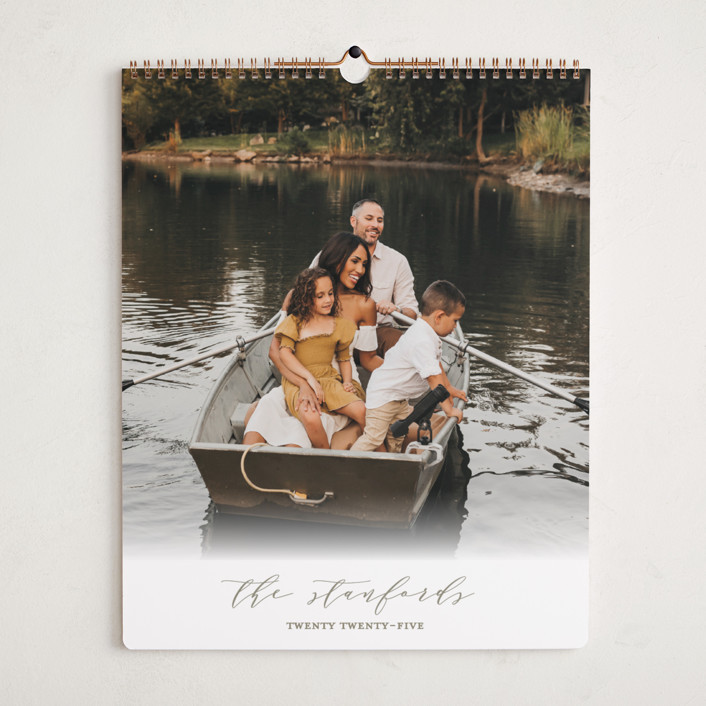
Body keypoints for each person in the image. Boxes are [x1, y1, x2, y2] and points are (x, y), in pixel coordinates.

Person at [243, 233, 382, 448]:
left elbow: (368, 359)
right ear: (337, 259)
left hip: (339, 381)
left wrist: (401, 376)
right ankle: (241, 463)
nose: (360, 270)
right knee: (265, 410)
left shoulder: (364, 304)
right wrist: (303, 383)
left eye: (364, 264)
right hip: (297, 375)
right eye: (355, 261)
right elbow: (275, 352)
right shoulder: (297, 296)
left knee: (309, 421)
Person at [351, 280, 468, 454]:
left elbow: (436, 365)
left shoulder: (427, 334)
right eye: (455, 321)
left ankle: (394, 461)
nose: (455, 327)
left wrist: (449, 387)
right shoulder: (422, 340)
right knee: (373, 437)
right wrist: (449, 409)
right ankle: (346, 461)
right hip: (384, 397)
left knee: (398, 434)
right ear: (439, 317)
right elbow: (434, 380)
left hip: (399, 397)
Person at [272, 267, 367, 449]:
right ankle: (325, 456)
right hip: (299, 380)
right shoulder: (294, 322)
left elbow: (344, 359)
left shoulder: (338, 325)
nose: (328, 300)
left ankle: (377, 454)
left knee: (361, 410)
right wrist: (309, 379)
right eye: (320, 296)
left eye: (330, 293)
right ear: (306, 299)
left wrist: (347, 381)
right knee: (311, 417)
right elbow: (284, 354)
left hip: (328, 378)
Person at [312, 199, 420, 357]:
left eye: (380, 220)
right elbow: (306, 291)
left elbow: (412, 315)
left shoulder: (398, 261)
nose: (375, 225)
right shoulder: (330, 254)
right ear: (353, 221)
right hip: (331, 329)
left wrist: (396, 309)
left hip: (377, 332)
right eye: (369, 218)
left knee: (403, 344)